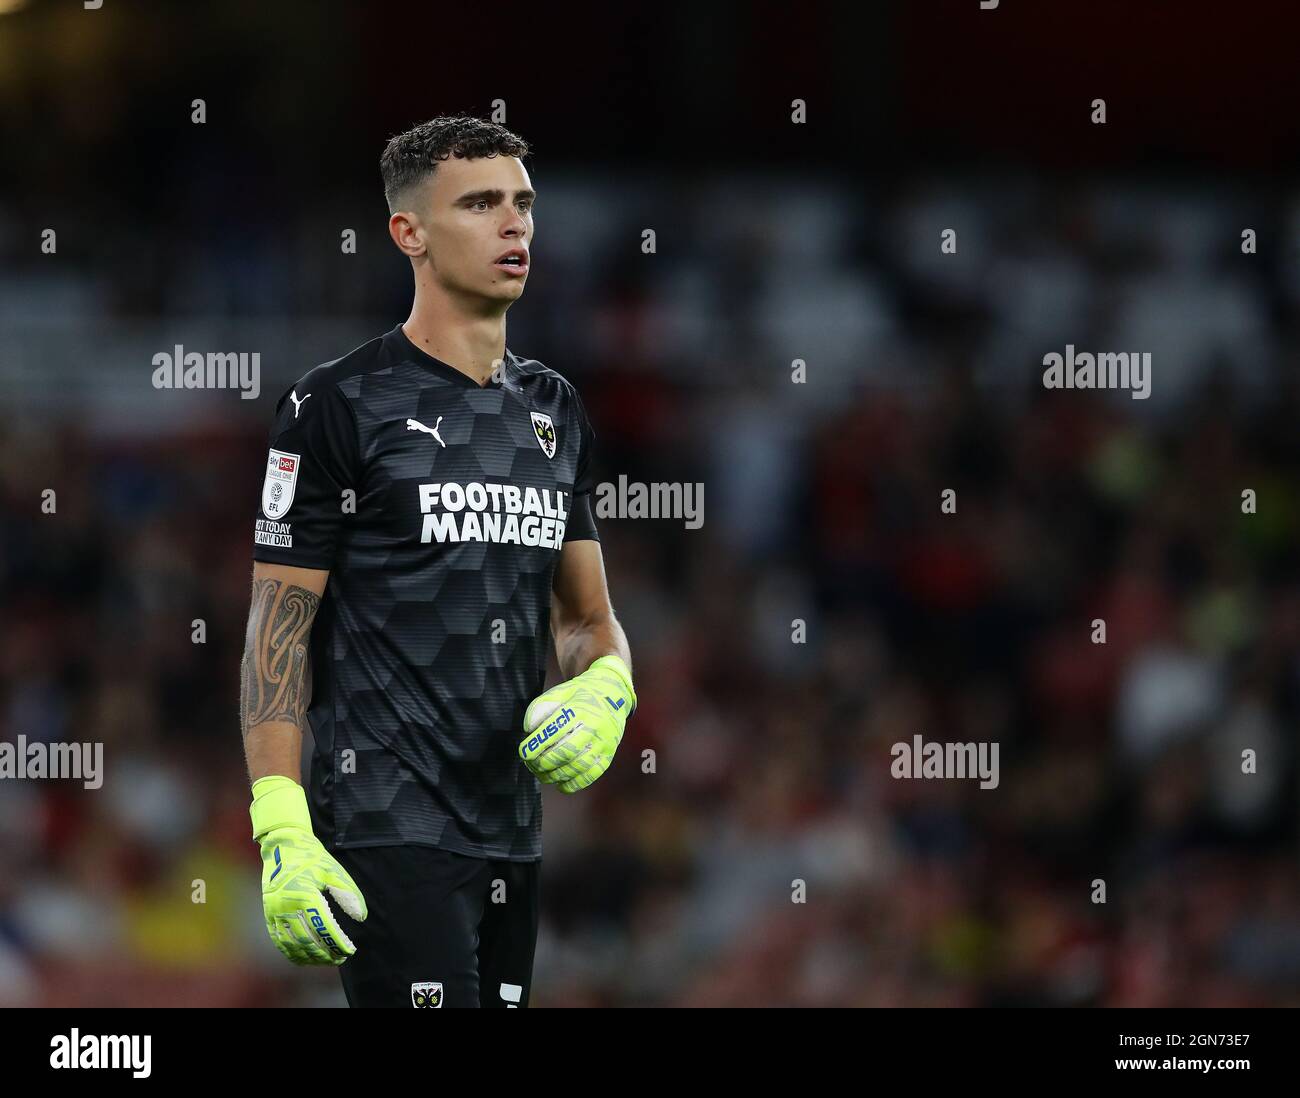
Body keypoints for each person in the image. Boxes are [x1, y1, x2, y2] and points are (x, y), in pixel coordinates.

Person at [238, 116, 635, 1008]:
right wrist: (280, 825)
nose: (515, 226)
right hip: (385, 823)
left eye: (524, 203)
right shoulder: (336, 403)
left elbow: (583, 619)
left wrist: (608, 686)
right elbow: (278, 629)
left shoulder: (553, 409)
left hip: (511, 833)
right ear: (408, 233)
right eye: (482, 203)